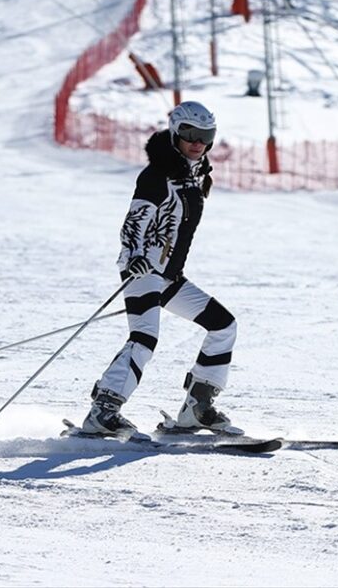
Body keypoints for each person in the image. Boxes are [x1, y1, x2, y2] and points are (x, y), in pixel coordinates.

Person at [81, 100, 239, 437]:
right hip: (142, 271)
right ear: (174, 133)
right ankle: (103, 412)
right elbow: (134, 221)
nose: (197, 142)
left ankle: (197, 408)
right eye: (189, 133)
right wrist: (135, 254)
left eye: (205, 135)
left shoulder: (194, 177)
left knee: (223, 325)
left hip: (169, 276)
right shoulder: (158, 175)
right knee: (144, 337)